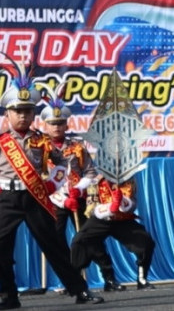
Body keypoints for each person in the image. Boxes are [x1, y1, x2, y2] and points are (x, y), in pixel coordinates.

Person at [0, 66, 103, 309]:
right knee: (1, 248)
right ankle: (8, 295)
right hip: (6, 197)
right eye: (18, 111)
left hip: (35, 198)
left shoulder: (41, 139)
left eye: (28, 111)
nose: (23, 116)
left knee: (54, 245)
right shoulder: (2, 139)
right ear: (8, 113)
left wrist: (62, 184)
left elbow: (66, 161)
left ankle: (79, 290)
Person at [40, 89, 125, 293]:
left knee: (90, 237)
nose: (57, 127)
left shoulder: (77, 146)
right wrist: (61, 199)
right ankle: (71, 281)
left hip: (79, 199)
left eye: (60, 123)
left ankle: (109, 278)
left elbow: (90, 172)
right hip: (54, 201)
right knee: (56, 240)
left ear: (67, 124)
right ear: (45, 125)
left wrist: (78, 190)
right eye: (53, 123)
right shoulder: (40, 148)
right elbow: (40, 177)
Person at [70, 174, 156, 291]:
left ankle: (142, 279)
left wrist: (122, 201)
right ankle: (76, 281)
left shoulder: (127, 178)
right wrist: (77, 191)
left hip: (121, 219)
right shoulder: (95, 179)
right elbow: (93, 207)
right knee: (79, 241)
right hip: (101, 218)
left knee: (145, 242)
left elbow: (132, 203)